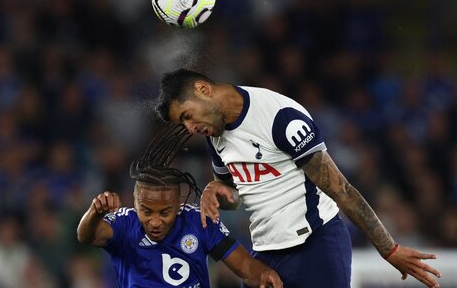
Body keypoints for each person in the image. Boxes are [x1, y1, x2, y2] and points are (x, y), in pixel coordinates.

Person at [155, 68, 442, 288]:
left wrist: (389, 249)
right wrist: (215, 191)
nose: (190, 128)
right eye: (184, 123)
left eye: (187, 116)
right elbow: (235, 194)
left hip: (315, 247)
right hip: (264, 255)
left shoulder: (279, 117)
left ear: (203, 89)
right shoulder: (215, 136)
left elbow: (340, 188)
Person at [77, 125, 283, 288]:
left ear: (178, 204)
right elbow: (87, 236)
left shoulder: (198, 221)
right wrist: (95, 212)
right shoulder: (124, 222)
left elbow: (245, 266)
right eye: (146, 211)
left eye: (164, 212)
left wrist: (264, 275)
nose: (155, 221)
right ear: (135, 202)